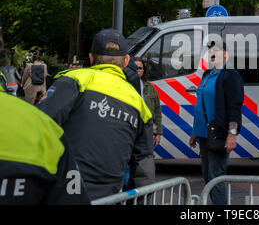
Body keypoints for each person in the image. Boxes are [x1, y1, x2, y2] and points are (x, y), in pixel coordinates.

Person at [38, 28, 154, 201]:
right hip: (110, 196)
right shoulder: (139, 103)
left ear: (92, 58)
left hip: (65, 190)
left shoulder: (75, 80)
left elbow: (40, 124)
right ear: (126, 61)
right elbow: (144, 168)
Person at [0, 25, 90, 205]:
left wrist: (23, 86)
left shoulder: (28, 66)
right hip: (40, 90)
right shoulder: (45, 130)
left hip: (30, 89)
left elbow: (24, 77)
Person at [189, 40, 244, 205]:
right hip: (204, 134)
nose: (212, 52)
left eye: (217, 50)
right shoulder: (207, 74)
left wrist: (232, 134)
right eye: (210, 50)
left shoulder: (230, 75)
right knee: (207, 175)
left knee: (216, 176)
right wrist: (195, 132)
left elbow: (235, 107)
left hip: (218, 133)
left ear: (226, 55)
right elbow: (202, 104)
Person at [122, 56, 162, 190]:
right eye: (135, 67)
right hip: (129, 129)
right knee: (127, 164)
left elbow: (157, 110)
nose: (138, 70)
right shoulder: (123, 85)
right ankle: (126, 190)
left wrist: (158, 132)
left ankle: (133, 193)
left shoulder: (150, 87)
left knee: (142, 165)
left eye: (140, 68)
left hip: (145, 130)